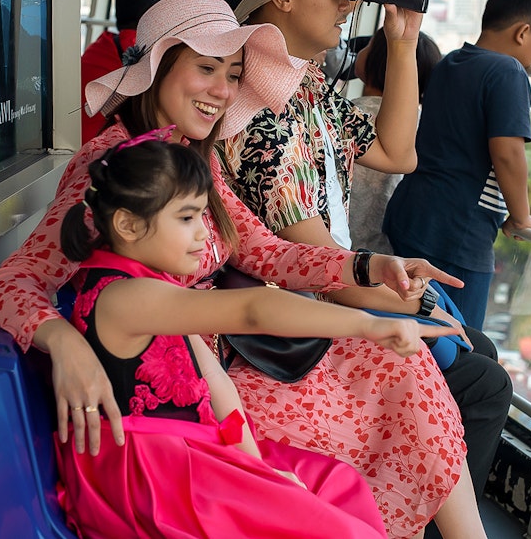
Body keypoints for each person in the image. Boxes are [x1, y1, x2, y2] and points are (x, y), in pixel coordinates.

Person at [0, 0, 479, 539]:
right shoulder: (117, 170)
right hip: (176, 405)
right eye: (206, 68)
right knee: (386, 386)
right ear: (158, 67)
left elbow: (269, 251)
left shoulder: (192, 160)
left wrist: (368, 267)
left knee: (400, 368)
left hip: (211, 369)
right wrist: (65, 342)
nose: (222, 90)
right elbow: (14, 280)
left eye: (233, 73)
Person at [221, 0, 511, 530]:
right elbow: (310, 265)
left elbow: (396, 151)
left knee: (472, 352)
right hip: (291, 326)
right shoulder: (260, 113)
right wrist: (403, 304)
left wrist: (402, 45)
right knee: (481, 379)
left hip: (327, 285)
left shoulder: (308, 90)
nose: (352, 0)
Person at [53, 131, 457, 538]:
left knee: (335, 482)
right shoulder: (126, 297)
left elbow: (211, 376)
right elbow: (252, 310)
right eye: (186, 217)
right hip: (155, 481)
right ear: (128, 224)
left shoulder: (152, 288)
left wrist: (257, 466)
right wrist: (369, 325)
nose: (201, 233)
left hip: (187, 451)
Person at [384, 0, 531, 331]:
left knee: (406, 327)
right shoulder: (508, 72)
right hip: (457, 234)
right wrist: (522, 216)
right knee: (456, 341)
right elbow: (507, 153)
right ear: (523, 33)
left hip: (412, 214)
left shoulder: (451, 62)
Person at [349, 29, 443, 253]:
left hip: (338, 238)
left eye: (369, 45)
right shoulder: (424, 125)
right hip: (387, 248)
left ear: (382, 60)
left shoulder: (352, 113)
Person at [80, 0, 167, 144]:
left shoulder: (101, 45)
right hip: (106, 146)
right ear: (152, 14)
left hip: (81, 140)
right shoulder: (144, 49)